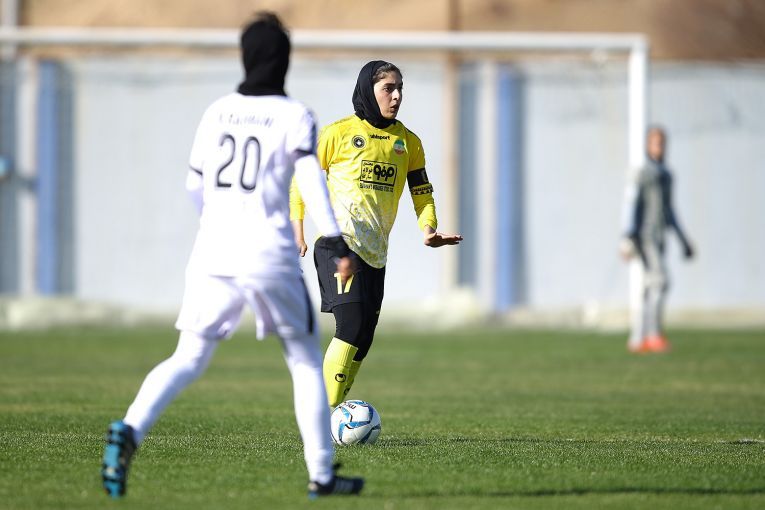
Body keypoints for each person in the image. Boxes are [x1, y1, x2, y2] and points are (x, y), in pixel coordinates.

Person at [100, 12, 364, 499]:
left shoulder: (217, 111)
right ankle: (322, 474)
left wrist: (219, 224)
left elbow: (193, 185)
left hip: (212, 252)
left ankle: (130, 428)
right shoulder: (294, 115)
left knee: (189, 355)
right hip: (269, 254)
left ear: (244, 57)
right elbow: (310, 180)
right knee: (306, 361)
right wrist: (336, 241)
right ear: (284, 61)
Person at [290, 60, 462, 407]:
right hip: (339, 245)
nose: (396, 96)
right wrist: (298, 230)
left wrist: (428, 228)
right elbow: (301, 180)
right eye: (388, 88)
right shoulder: (338, 133)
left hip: (375, 253)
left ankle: (334, 412)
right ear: (368, 91)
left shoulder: (408, 142)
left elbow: (422, 192)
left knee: (363, 339)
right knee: (351, 326)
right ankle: (322, 416)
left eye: (400, 89)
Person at [620, 125, 694, 353]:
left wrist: (683, 240)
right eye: (655, 143)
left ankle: (637, 338)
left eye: (662, 143)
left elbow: (669, 210)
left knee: (649, 285)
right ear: (647, 145)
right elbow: (632, 204)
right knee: (661, 281)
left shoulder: (667, 175)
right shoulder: (643, 173)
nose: (659, 147)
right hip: (645, 237)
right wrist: (627, 237)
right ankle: (652, 335)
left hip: (661, 237)